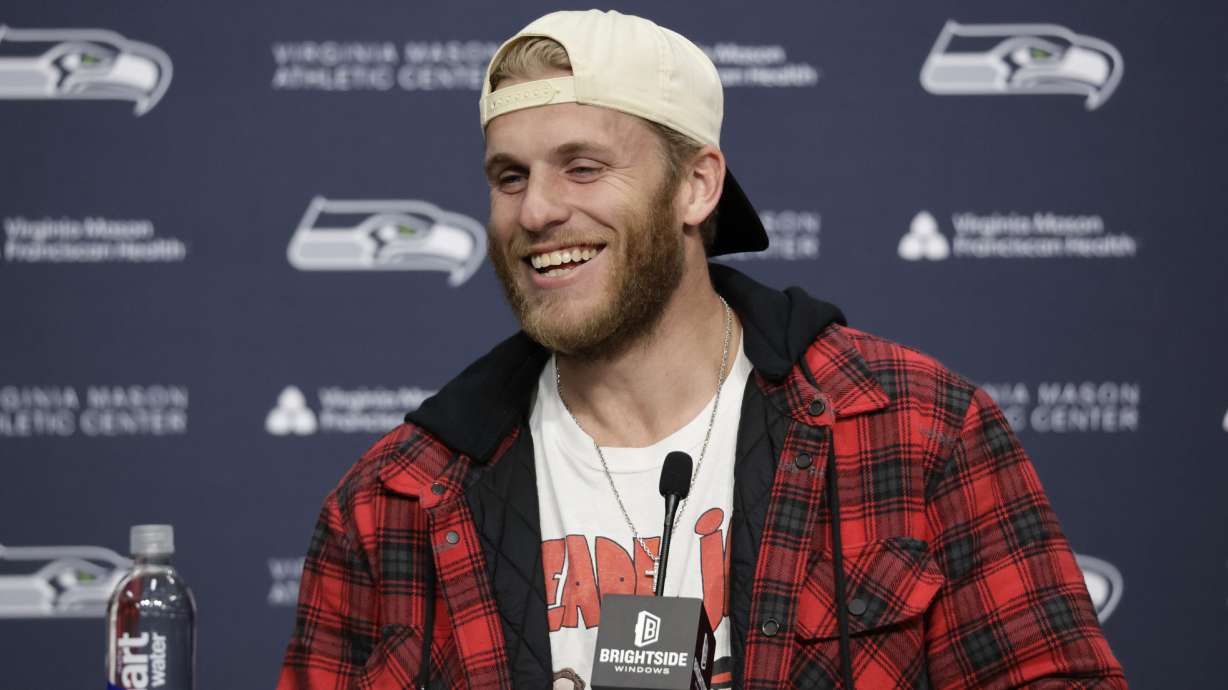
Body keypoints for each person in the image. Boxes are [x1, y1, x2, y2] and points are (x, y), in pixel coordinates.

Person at [278, 10, 1127, 689]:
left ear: (696, 185)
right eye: (510, 177)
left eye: (582, 167)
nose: (535, 213)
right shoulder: (393, 502)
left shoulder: (916, 431)